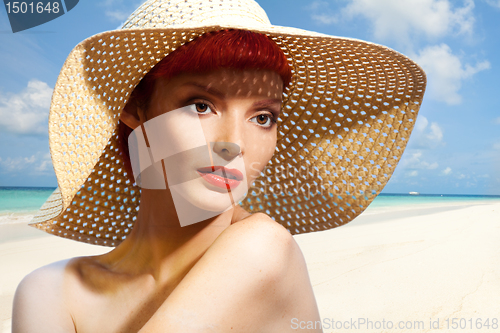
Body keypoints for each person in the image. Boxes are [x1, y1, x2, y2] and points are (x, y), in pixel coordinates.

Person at [12, 0, 426, 332]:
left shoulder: (264, 247)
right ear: (136, 109)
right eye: (201, 105)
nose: (234, 144)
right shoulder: (47, 290)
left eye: (263, 117)